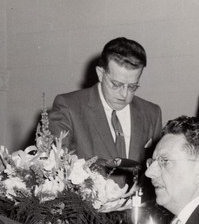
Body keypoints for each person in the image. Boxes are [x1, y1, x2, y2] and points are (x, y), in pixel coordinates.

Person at [49, 36, 163, 171]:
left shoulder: (152, 113)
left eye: (132, 86)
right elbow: (56, 169)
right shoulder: (68, 107)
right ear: (100, 74)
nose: (124, 94)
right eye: (116, 84)